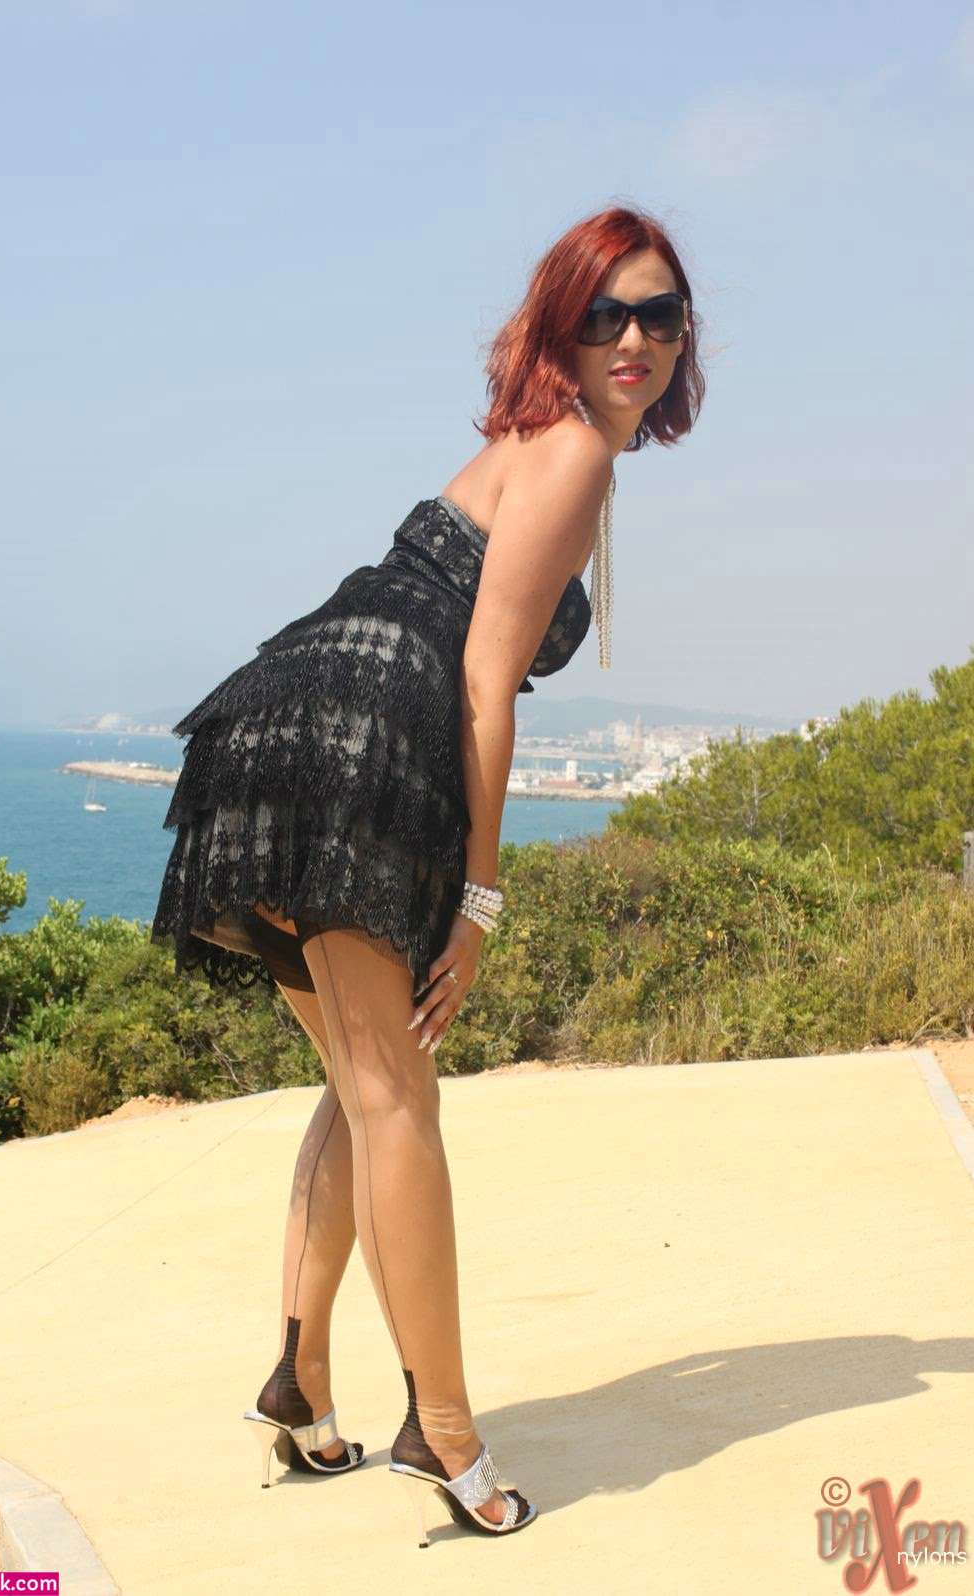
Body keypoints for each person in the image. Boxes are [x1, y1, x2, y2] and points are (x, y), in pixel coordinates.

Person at [150, 202, 703, 1544]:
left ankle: (301, 1383)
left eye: (660, 314)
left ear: (687, 335)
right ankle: (444, 1432)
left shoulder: (533, 442)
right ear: (561, 326)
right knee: (401, 1097)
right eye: (606, 313)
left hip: (284, 717)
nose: (634, 338)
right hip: (360, 736)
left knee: (363, 1084)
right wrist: (480, 895)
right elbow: (481, 678)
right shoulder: (573, 451)